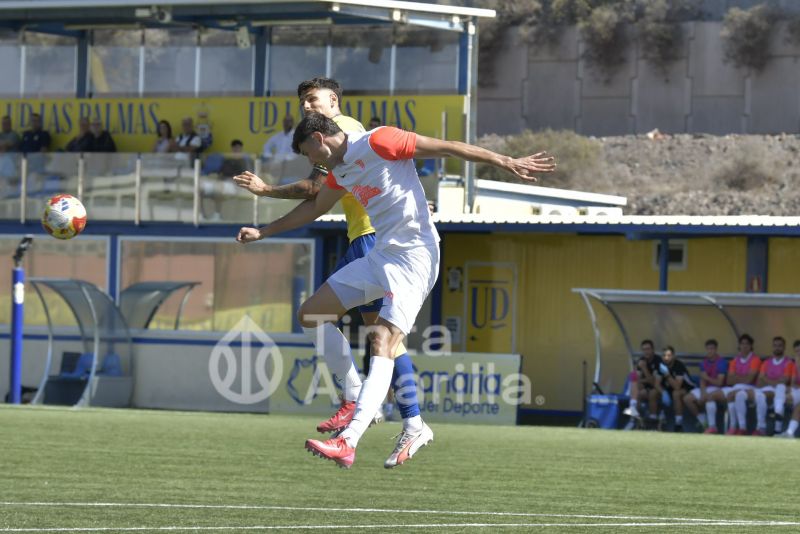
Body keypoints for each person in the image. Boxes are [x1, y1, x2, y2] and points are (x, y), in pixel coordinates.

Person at [236, 112, 555, 468]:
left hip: (416, 257)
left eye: (306, 153)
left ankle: (349, 440)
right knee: (311, 314)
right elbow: (314, 208)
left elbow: (447, 148)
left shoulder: (378, 141)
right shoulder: (340, 171)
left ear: (317, 139)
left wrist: (503, 160)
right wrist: (263, 232)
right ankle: (370, 402)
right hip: (381, 256)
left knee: (382, 342)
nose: (309, 161)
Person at [234, 77, 422, 466]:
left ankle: (366, 405)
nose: (306, 106)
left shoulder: (346, 132)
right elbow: (322, 194)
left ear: (333, 101)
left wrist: (266, 191)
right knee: (380, 336)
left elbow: (314, 189)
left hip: (374, 239)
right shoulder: (336, 136)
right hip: (366, 237)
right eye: (302, 101)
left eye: (312, 99)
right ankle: (405, 417)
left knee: (369, 333)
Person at [683, 339, 727, 433]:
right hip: (706, 388)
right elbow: (702, 380)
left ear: (716, 349)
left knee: (709, 398)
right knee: (687, 398)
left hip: (718, 389)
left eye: (712, 348)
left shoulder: (722, 362)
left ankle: (713, 426)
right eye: (708, 349)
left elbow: (719, 382)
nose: (710, 351)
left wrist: (707, 378)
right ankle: (704, 423)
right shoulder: (703, 363)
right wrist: (703, 393)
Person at [752, 336, 793, 435]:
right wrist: (773, 381)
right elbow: (759, 381)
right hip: (766, 389)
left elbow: (784, 381)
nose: (777, 348)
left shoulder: (788, 363)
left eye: (780, 346)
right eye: (775, 345)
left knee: (776, 390)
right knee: (758, 395)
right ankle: (761, 427)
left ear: (784, 348)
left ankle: (762, 427)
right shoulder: (766, 362)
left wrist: (766, 380)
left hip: (780, 391)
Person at [722, 334, 761, 435]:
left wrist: (736, 377)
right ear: (739, 345)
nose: (744, 346)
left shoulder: (755, 359)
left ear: (751, 346)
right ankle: (732, 427)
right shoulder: (734, 360)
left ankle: (739, 427)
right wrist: (741, 378)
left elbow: (749, 380)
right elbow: (729, 380)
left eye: (747, 344)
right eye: (742, 344)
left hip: (751, 388)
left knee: (733, 395)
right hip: (737, 387)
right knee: (712, 397)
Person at [655, 346, 695, 432]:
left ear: (673, 356)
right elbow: (656, 384)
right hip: (670, 389)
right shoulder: (661, 366)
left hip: (687, 389)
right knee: (654, 393)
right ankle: (653, 422)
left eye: (669, 355)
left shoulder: (678, 365)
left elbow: (677, 386)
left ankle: (678, 424)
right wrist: (663, 393)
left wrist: (667, 374)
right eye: (664, 355)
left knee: (676, 393)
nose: (666, 358)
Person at [628, 340, 662, 430]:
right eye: (644, 350)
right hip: (646, 388)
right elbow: (636, 379)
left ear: (653, 349)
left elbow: (654, 382)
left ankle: (653, 421)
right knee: (636, 386)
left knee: (652, 393)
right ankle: (635, 420)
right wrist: (643, 381)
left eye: (648, 349)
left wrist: (644, 368)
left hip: (659, 388)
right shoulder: (641, 360)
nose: (646, 352)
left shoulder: (658, 361)